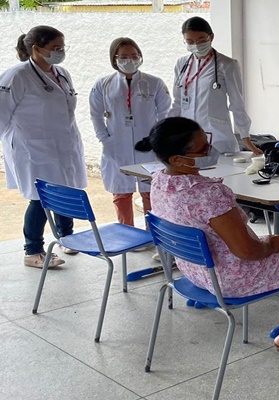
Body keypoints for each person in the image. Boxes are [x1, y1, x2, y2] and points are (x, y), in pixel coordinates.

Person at [135, 116, 279, 351]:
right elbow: (247, 251)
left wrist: (270, 242)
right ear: (178, 159)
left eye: (207, 141)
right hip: (229, 278)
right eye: (203, 149)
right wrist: (272, 243)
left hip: (195, 270)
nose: (211, 150)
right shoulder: (209, 194)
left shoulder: (159, 182)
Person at [0, 26, 87, 269]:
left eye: (62, 47)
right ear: (36, 49)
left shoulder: (61, 72)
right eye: (55, 48)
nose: (60, 53)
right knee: (40, 198)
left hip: (64, 143)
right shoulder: (16, 76)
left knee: (65, 191)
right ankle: (33, 250)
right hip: (33, 148)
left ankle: (66, 237)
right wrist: (13, 143)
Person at [89, 37, 171, 227]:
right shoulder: (103, 84)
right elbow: (95, 114)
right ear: (114, 58)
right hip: (116, 146)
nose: (130, 60)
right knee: (121, 193)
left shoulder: (154, 82)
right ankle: (128, 233)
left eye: (134, 56)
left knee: (150, 191)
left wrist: (159, 140)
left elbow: (165, 113)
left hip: (148, 146)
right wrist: (105, 139)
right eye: (124, 56)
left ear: (141, 57)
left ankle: (156, 234)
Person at [168, 16, 262, 156]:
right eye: (190, 41)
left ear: (211, 37)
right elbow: (177, 102)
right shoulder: (181, 64)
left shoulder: (227, 65)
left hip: (217, 138)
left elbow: (237, 104)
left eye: (201, 40)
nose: (196, 45)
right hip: (187, 138)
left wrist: (246, 138)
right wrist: (167, 131)